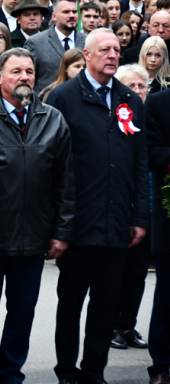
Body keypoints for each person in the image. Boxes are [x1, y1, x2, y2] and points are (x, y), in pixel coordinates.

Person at [0, 47, 74, 384]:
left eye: (29, 71)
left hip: (34, 236)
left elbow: (66, 181)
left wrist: (62, 231)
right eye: (16, 71)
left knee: (22, 312)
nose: (24, 77)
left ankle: (11, 372)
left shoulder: (52, 119)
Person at [46, 28, 149, 384]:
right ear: (85, 55)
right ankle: (66, 371)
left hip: (117, 223)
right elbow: (52, 163)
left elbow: (139, 161)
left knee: (105, 308)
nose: (112, 55)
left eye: (117, 50)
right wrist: (57, 225)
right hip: (77, 224)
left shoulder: (129, 100)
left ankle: (94, 372)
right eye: (104, 49)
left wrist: (139, 216)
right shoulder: (63, 98)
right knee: (71, 305)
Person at [109, 64, 151, 352]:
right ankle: (112, 324)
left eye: (141, 86)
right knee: (116, 272)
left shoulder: (151, 116)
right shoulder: (116, 114)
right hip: (118, 205)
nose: (137, 91)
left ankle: (128, 324)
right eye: (131, 86)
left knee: (137, 273)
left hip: (147, 204)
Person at [146, 85, 170, 384]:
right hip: (168, 211)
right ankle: (161, 365)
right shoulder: (158, 103)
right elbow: (151, 153)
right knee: (166, 297)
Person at [24, 0, 86, 91]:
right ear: (54, 16)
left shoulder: (88, 41)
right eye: (66, 12)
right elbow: (27, 78)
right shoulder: (36, 43)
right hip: (46, 102)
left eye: (74, 12)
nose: (72, 15)